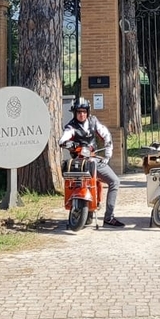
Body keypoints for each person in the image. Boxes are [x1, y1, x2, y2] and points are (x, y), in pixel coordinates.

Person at [58, 97, 123, 227]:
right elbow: (63, 139)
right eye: (79, 112)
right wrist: (69, 144)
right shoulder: (71, 126)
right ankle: (78, 209)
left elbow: (106, 134)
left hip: (94, 160)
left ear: (88, 112)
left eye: (84, 111)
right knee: (74, 183)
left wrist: (108, 154)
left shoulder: (94, 121)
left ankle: (109, 217)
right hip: (79, 162)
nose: (81, 114)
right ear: (75, 113)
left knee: (115, 181)